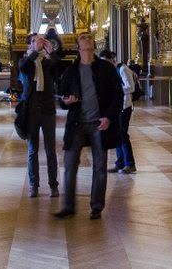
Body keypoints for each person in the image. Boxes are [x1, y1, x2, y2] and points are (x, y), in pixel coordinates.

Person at [54, 34, 123, 220]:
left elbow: (118, 95)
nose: (88, 53)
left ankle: (96, 207)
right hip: (76, 124)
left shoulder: (106, 69)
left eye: (91, 49)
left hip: (99, 124)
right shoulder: (71, 71)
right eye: (84, 50)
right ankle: (68, 206)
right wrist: (67, 101)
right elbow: (61, 98)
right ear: (78, 49)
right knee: (69, 165)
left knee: (100, 167)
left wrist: (109, 117)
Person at [18, 33, 61, 198]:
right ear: (29, 44)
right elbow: (23, 68)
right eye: (36, 40)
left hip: (48, 109)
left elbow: (57, 71)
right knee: (32, 150)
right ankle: (33, 184)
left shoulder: (47, 61)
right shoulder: (25, 60)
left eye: (41, 40)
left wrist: (51, 53)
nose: (40, 42)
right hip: (31, 111)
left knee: (51, 150)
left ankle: (53, 185)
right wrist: (35, 51)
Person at [101, 50, 136, 174]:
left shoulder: (123, 69)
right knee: (117, 134)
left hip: (125, 106)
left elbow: (131, 87)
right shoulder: (109, 72)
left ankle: (130, 164)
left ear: (112, 59)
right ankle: (120, 163)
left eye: (106, 61)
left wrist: (115, 89)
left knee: (123, 135)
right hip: (117, 107)